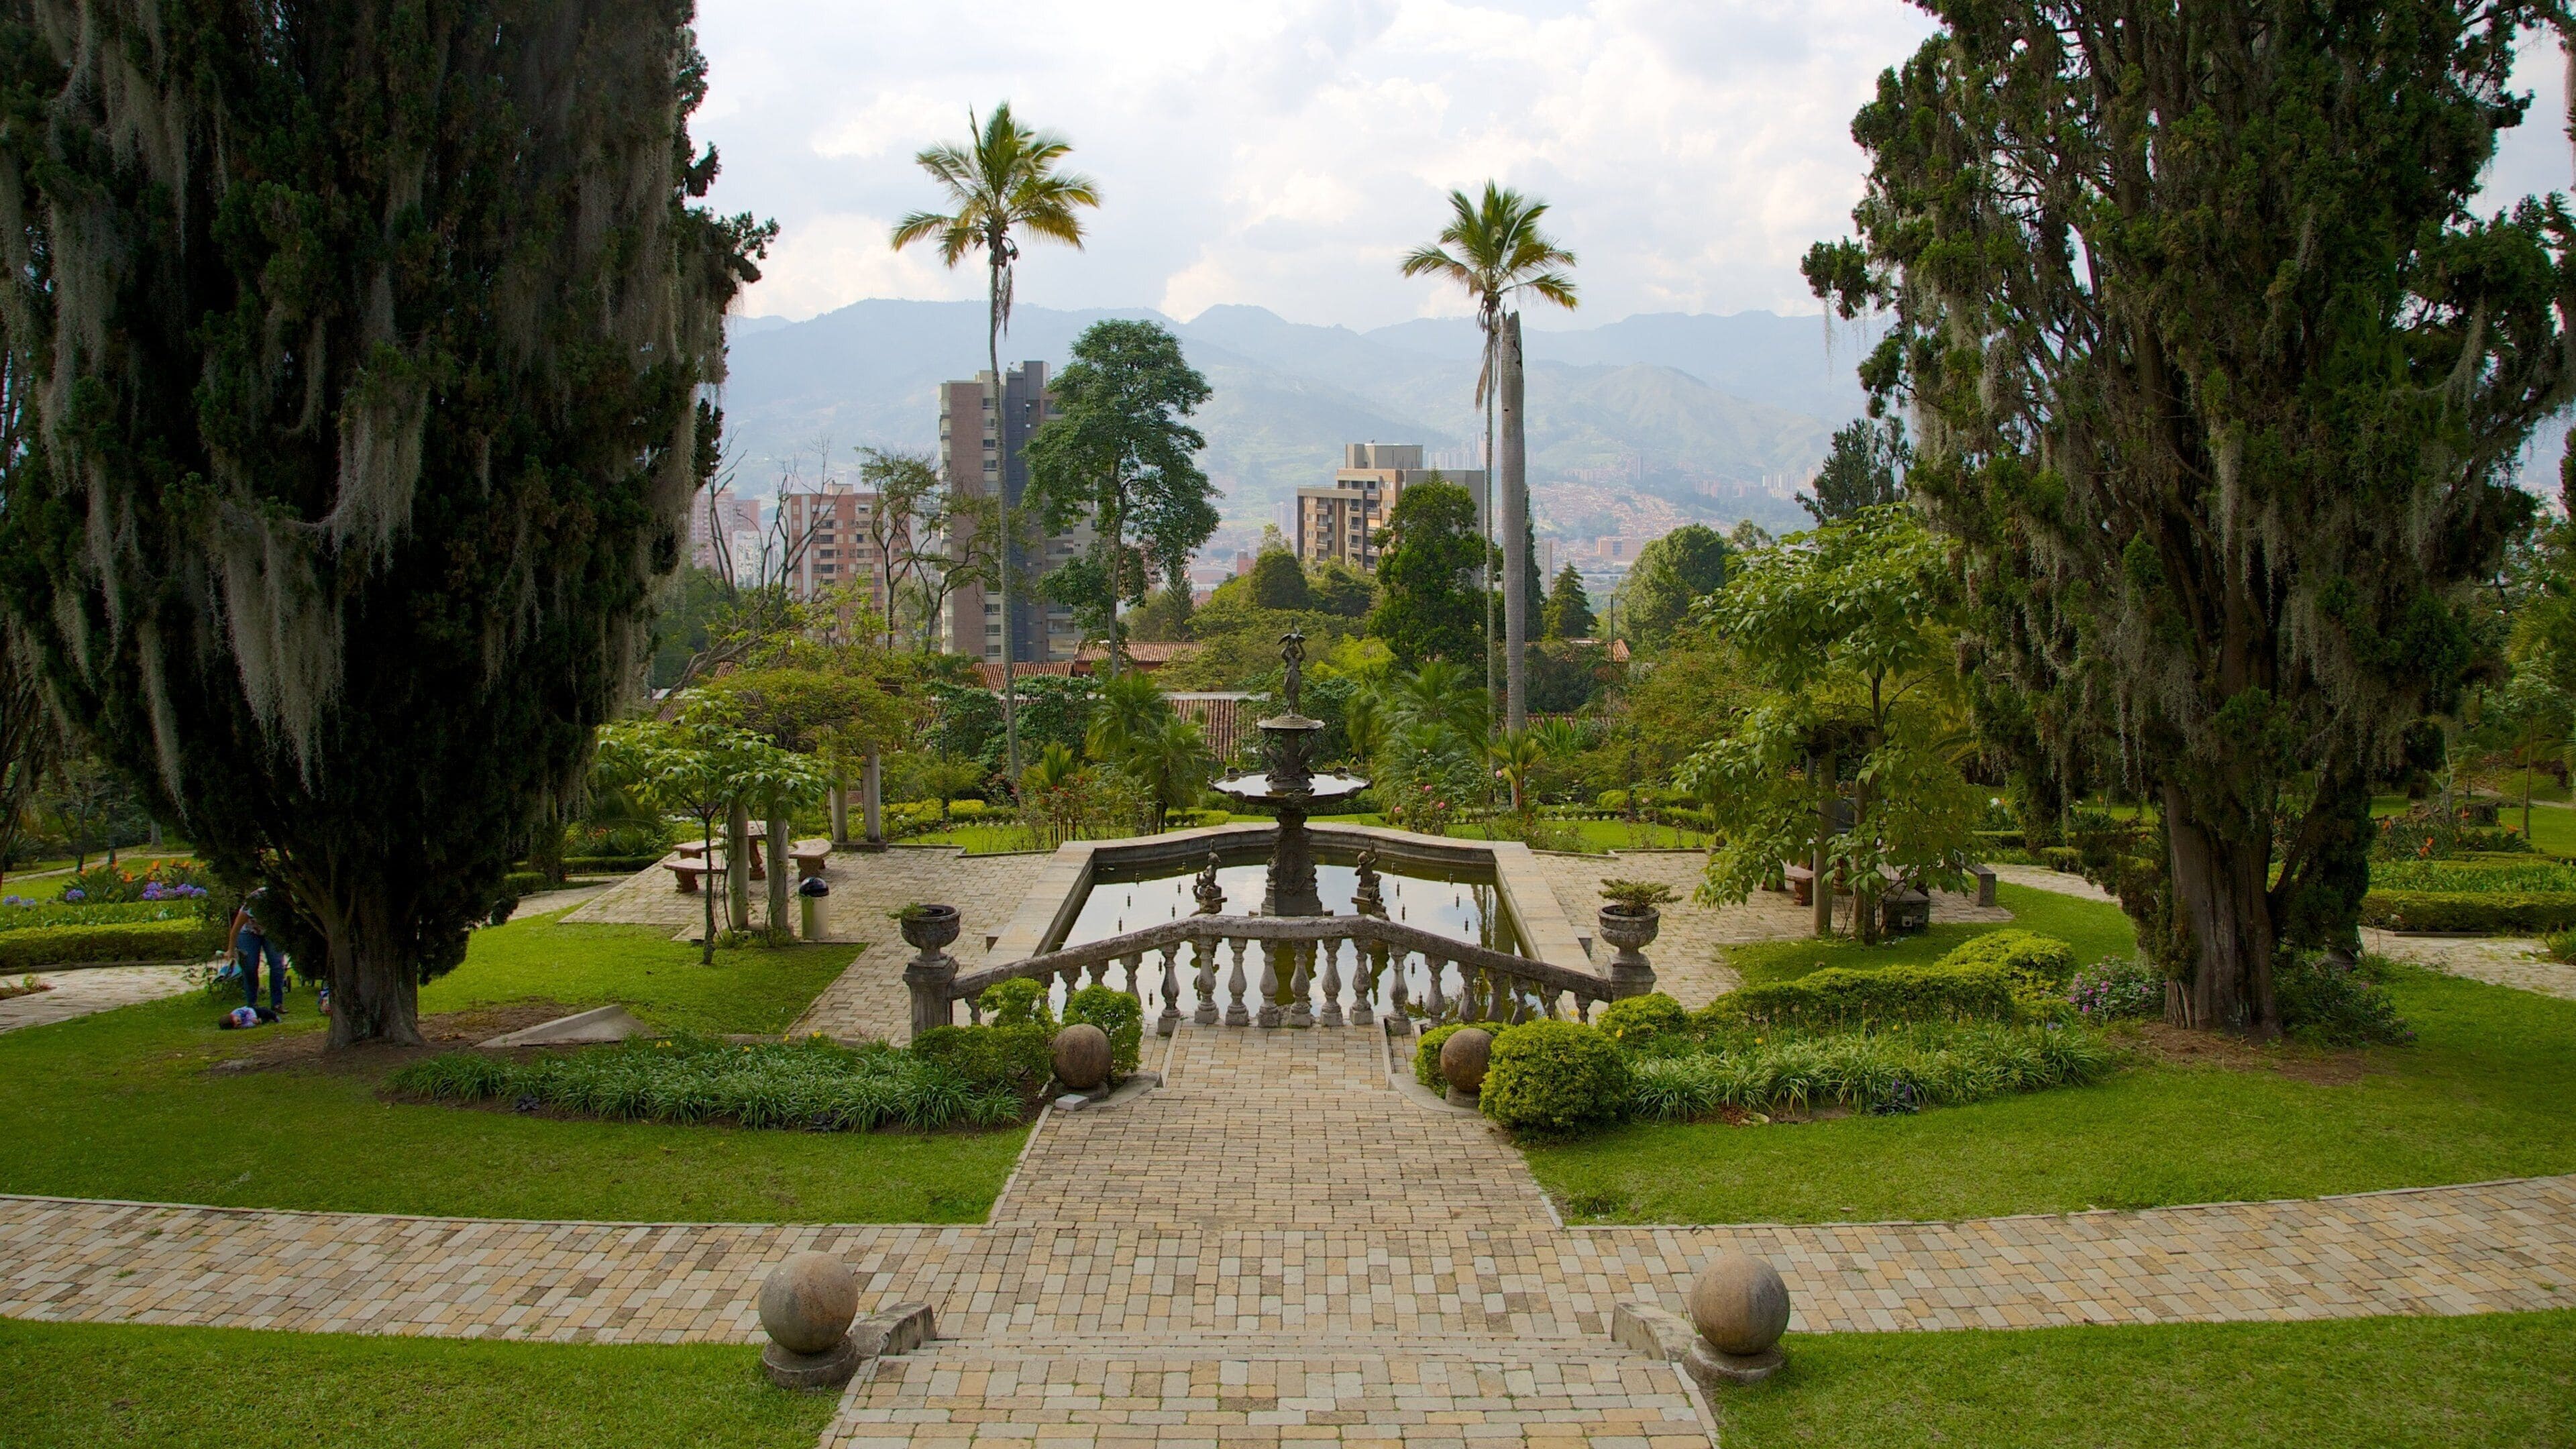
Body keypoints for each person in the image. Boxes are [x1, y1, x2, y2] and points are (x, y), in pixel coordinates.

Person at [227, 886, 286, 1015]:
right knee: (250, 966)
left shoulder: (283, 902)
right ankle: (252, 1004)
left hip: (271, 932)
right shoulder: (253, 903)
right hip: (248, 932)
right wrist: (230, 950)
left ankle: (277, 1003)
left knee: (277, 965)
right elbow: (236, 929)